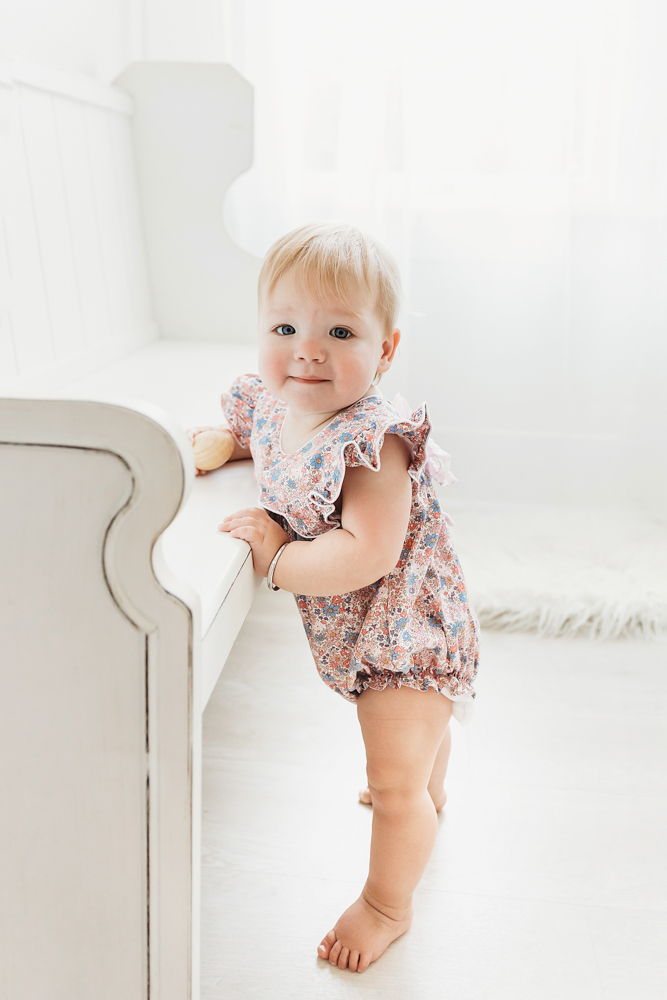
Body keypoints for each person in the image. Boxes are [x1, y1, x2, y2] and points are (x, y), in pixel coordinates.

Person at [191, 222, 479, 973]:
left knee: (391, 778)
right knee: (412, 748)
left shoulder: (374, 443)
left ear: (384, 350)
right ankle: (433, 781)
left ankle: (388, 903)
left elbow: (366, 553)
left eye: (339, 331)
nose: (306, 349)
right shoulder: (279, 400)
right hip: (359, 630)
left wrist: (278, 558)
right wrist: (225, 444)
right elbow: (253, 430)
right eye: (284, 326)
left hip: (405, 632)